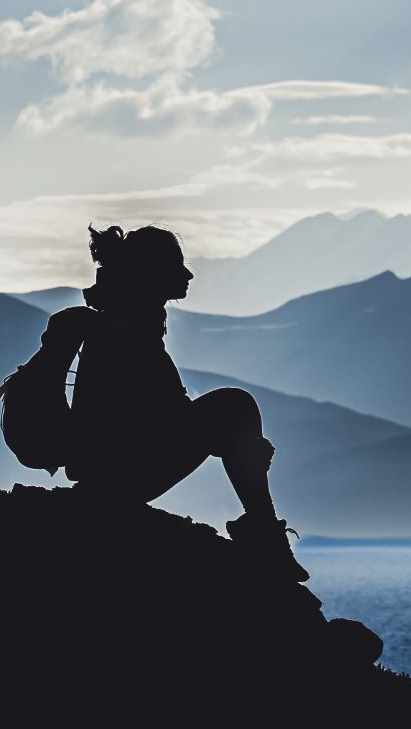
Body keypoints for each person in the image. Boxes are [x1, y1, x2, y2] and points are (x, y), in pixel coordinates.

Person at [32, 224, 305, 580]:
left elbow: (157, 416)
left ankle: (264, 533)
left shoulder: (124, 321)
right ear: (153, 273)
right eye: (177, 265)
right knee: (235, 405)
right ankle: (264, 536)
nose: (188, 274)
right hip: (119, 476)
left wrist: (237, 444)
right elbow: (158, 416)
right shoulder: (128, 330)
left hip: (108, 473)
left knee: (233, 410)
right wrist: (241, 445)